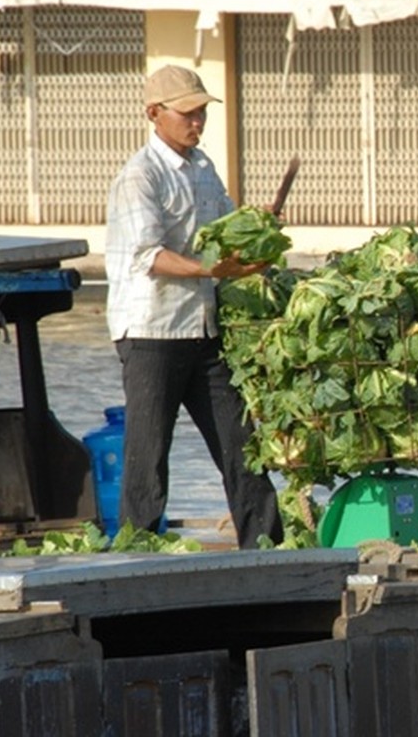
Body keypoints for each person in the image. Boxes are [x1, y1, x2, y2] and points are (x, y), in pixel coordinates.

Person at [104, 64, 284, 548]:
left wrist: (256, 222)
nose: (197, 122)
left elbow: (224, 226)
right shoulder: (139, 176)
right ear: (154, 114)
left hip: (203, 329)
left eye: (201, 112)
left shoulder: (203, 168)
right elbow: (150, 256)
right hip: (150, 332)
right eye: (188, 113)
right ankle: (136, 550)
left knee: (242, 444)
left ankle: (266, 548)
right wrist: (211, 271)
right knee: (148, 452)